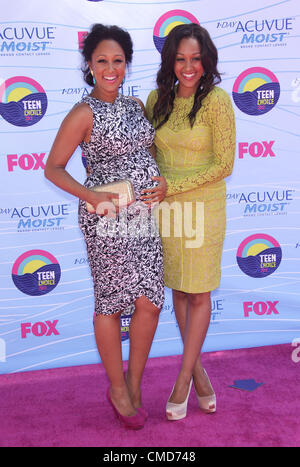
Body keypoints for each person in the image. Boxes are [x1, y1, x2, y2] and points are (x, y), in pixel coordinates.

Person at [45, 24, 167, 430]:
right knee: (112, 302)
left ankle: (133, 381)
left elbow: (147, 155)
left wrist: (162, 182)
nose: (110, 68)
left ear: (127, 64)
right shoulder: (83, 113)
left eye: (118, 61)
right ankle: (117, 389)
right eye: (102, 61)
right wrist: (92, 196)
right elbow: (53, 169)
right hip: (108, 219)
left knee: (150, 299)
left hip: (145, 217)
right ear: (90, 65)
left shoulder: (134, 106)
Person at [146, 23, 236, 420]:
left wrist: (174, 186)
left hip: (204, 207)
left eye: (196, 59)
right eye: (181, 59)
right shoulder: (156, 99)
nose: (188, 67)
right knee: (179, 292)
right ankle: (199, 374)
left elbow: (225, 164)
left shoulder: (217, 100)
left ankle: (181, 382)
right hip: (167, 212)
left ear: (206, 61)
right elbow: (144, 153)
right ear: (170, 61)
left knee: (198, 294)